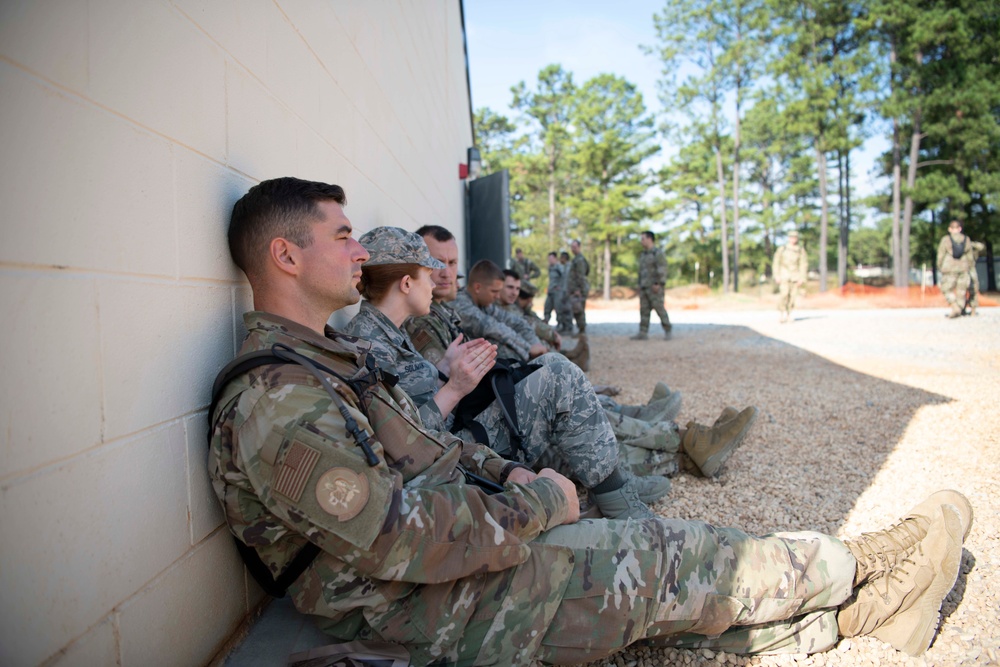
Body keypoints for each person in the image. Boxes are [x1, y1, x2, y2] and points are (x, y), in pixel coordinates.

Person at [211, 176, 972, 665]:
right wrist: (540, 502)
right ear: (284, 255)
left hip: (437, 559)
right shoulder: (279, 400)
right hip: (395, 605)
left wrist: (512, 475)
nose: (357, 250)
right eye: (341, 235)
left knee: (649, 578)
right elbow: (390, 536)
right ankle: (865, 565)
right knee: (650, 561)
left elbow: (428, 447)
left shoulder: (323, 363)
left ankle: (861, 608)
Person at [344, 226, 667, 520]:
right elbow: (399, 440)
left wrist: (443, 369)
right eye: (428, 274)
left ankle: (616, 486)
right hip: (450, 455)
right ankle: (619, 502)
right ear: (405, 284)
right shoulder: (371, 343)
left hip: (456, 437)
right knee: (558, 375)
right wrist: (454, 387)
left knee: (547, 369)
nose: (436, 281)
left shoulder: (387, 331)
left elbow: (410, 401)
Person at [407, 227, 765, 483]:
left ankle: (683, 440)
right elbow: (438, 409)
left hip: (483, 417)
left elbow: (500, 327)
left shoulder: (441, 311)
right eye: (436, 264)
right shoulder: (421, 322)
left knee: (572, 408)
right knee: (574, 435)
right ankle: (688, 445)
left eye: (453, 263)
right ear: (413, 271)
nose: (447, 274)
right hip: (472, 440)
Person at [632, 231, 672, 340]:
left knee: (659, 309)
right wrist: (639, 284)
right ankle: (643, 332)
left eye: (643, 239)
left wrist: (658, 284)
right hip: (644, 286)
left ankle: (668, 330)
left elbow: (662, 269)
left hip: (654, 287)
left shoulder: (657, 253)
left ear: (650, 239)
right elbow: (641, 271)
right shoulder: (643, 254)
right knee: (644, 310)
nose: (641, 241)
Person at [937, 220, 981, 319]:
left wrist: (939, 266)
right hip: (964, 268)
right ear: (960, 228)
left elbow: (940, 255)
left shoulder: (946, 240)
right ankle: (960, 309)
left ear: (949, 229)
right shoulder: (966, 239)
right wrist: (971, 267)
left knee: (946, 289)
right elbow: (970, 257)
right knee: (961, 291)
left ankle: (955, 306)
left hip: (949, 268)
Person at [774, 230, 808, 323]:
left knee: (793, 296)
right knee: (783, 295)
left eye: (795, 237)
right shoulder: (783, 249)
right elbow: (776, 262)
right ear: (789, 238)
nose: (793, 239)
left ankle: (789, 314)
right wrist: (776, 275)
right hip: (784, 275)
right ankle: (781, 314)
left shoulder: (800, 250)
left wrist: (802, 277)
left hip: (795, 276)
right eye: (791, 237)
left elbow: (803, 264)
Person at [568, 239, 590, 334]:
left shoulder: (580, 260)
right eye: (572, 247)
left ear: (579, 247)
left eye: (575, 247)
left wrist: (578, 289)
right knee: (576, 310)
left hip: (579, 290)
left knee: (579, 310)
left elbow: (581, 276)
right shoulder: (576, 259)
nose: (573, 249)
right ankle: (581, 330)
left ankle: (582, 331)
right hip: (575, 289)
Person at [543, 251, 565, 327]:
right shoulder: (550, 267)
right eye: (549, 258)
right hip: (551, 290)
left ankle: (560, 324)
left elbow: (564, 277)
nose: (550, 260)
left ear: (555, 258)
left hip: (557, 291)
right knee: (547, 307)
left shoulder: (559, 267)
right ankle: (545, 322)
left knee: (558, 308)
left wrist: (560, 287)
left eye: (551, 258)